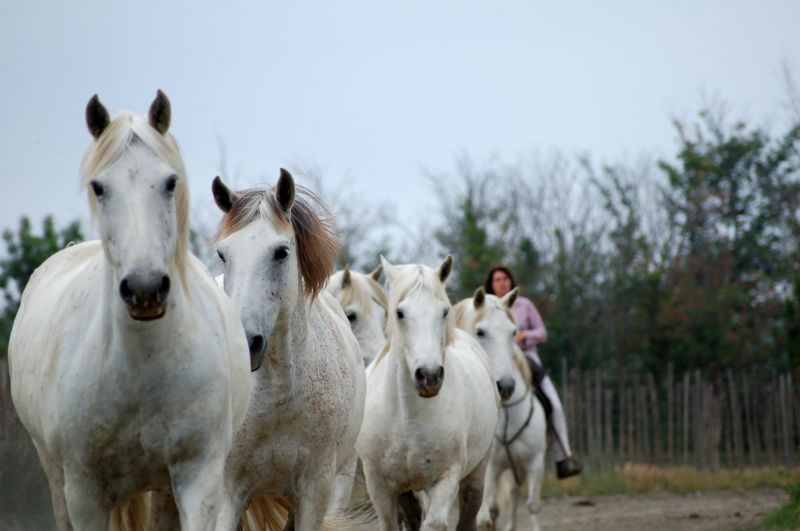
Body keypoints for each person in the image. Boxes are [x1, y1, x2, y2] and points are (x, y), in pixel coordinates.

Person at [484, 266, 582, 479]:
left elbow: (543, 333)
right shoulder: (484, 306)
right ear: (490, 284)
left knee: (554, 404)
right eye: (497, 279)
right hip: (494, 361)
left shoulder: (524, 305)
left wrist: (524, 335)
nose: (501, 283)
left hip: (526, 359)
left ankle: (563, 457)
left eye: (505, 279)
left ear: (511, 282)